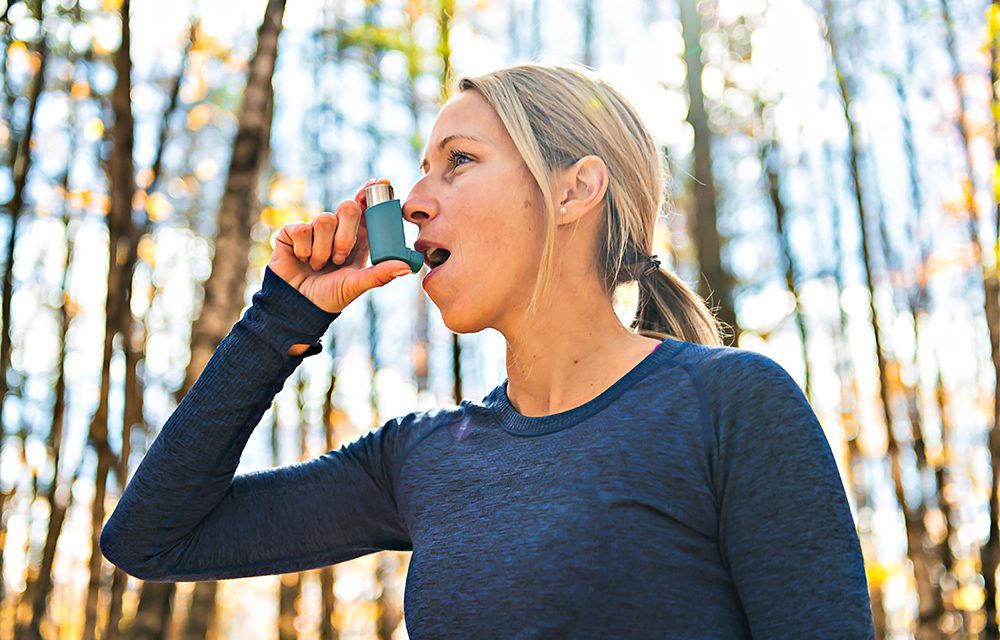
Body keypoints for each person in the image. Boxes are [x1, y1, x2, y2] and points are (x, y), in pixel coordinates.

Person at [101, 63, 875, 638]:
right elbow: (153, 538)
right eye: (424, 167)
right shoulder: (418, 457)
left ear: (574, 191)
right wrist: (282, 317)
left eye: (459, 160)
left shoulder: (731, 403)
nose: (411, 199)